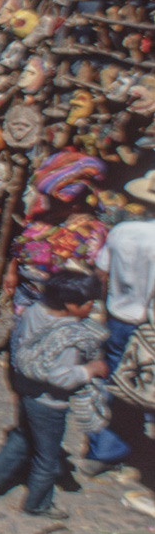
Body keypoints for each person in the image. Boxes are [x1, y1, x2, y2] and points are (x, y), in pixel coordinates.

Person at [0, 270, 109, 520]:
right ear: (70, 305)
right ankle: (38, 503)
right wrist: (90, 369)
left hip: (25, 390)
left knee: (24, 435)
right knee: (46, 456)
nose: (92, 307)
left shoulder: (34, 312)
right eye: (89, 303)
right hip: (50, 402)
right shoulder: (68, 337)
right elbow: (61, 377)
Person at [85, 169, 155, 473]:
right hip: (148, 322)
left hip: (118, 316)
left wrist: (105, 304)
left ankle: (108, 447)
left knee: (117, 381)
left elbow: (101, 273)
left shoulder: (121, 231)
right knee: (144, 381)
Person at [6, 149, 108, 314]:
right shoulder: (44, 219)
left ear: (77, 202)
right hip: (25, 299)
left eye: (57, 201)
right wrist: (11, 271)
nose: (49, 204)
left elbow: (95, 278)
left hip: (62, 309)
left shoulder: (94, 232)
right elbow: (19, 246)